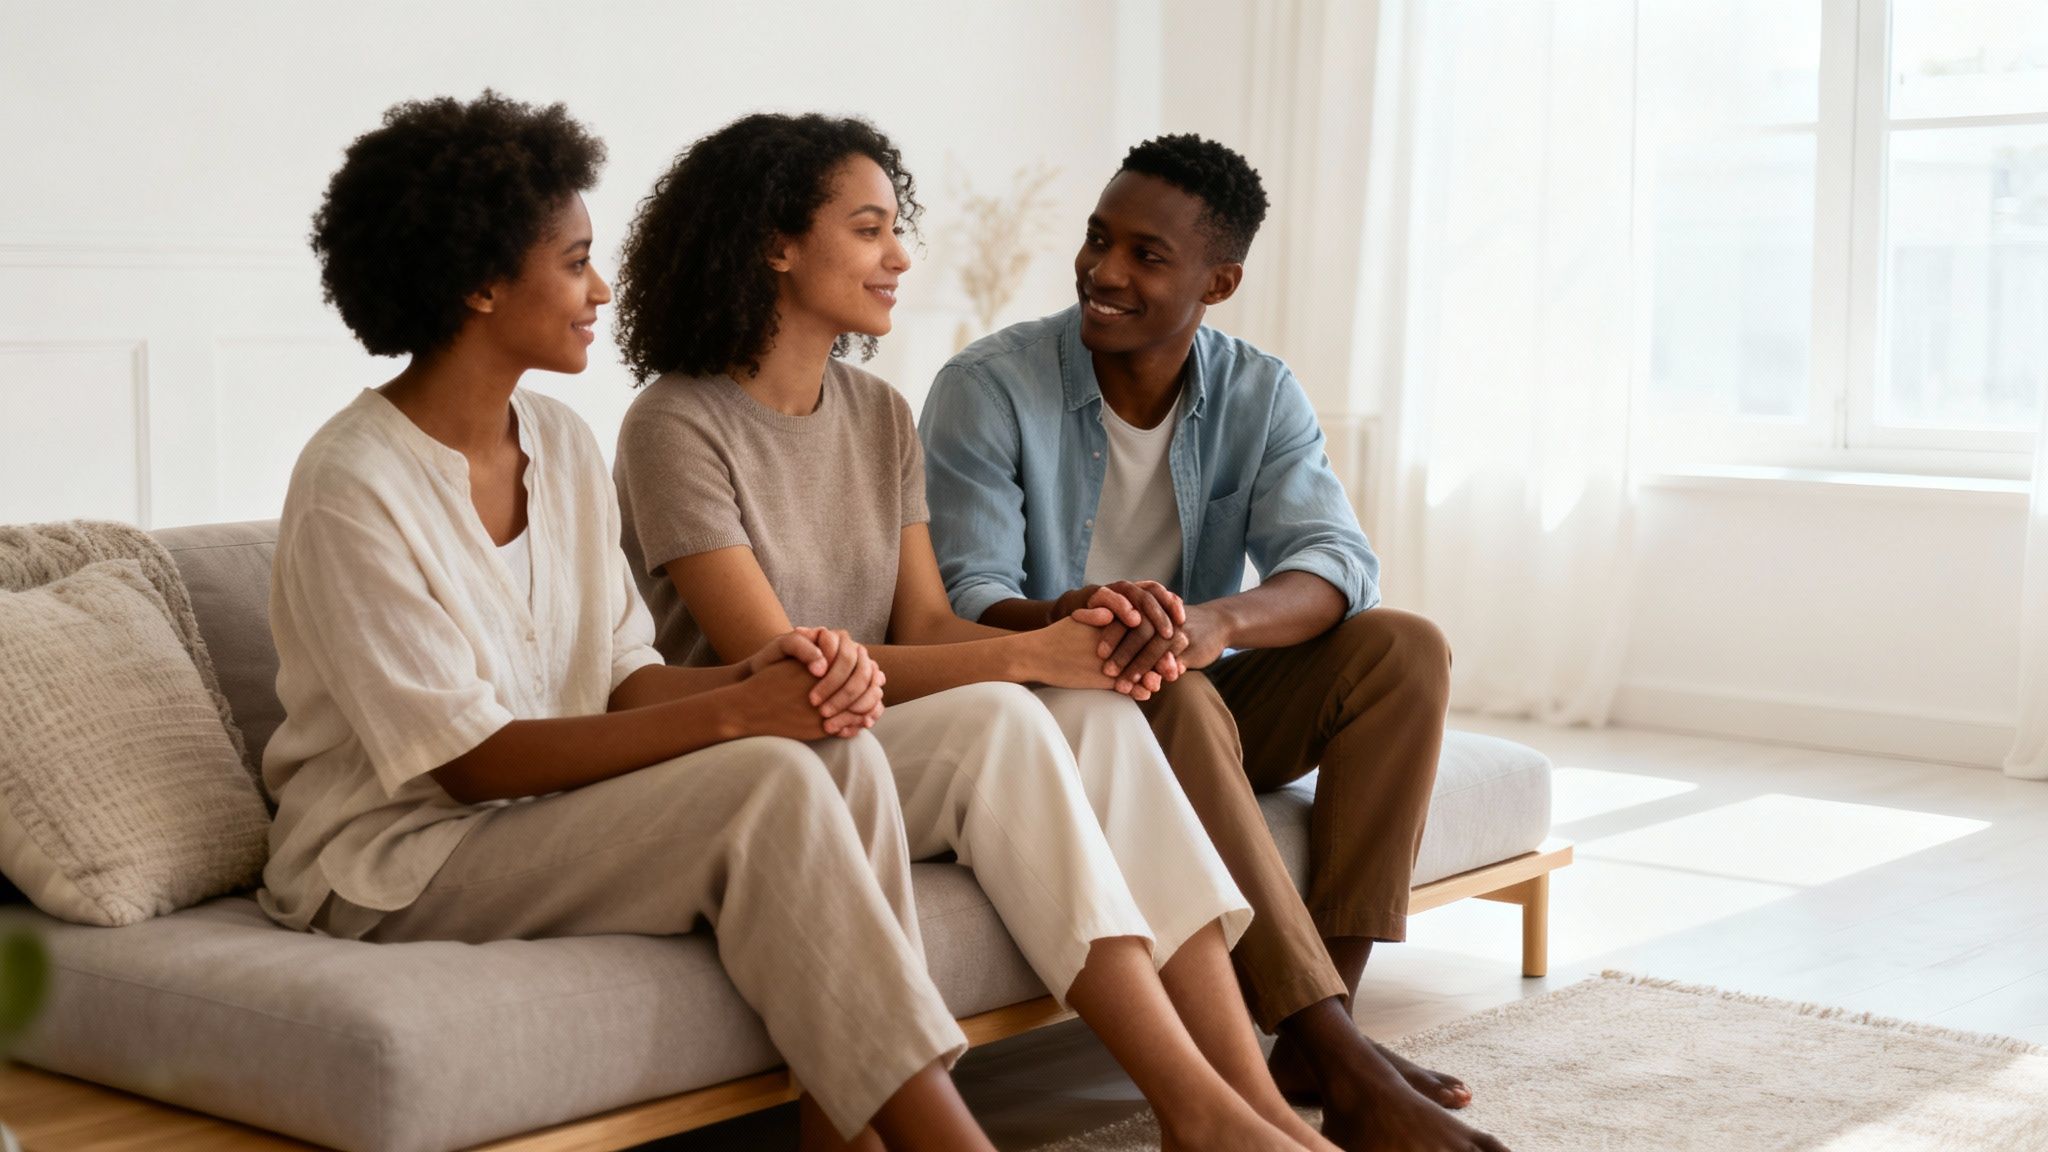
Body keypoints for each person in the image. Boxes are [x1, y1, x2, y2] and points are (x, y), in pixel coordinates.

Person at [259, 91, 993, 1152]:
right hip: (391, 862)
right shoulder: (351, 483)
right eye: (573, 262)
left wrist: (776, 678)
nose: (601, 290)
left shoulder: (557, 442)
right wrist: (739, 720)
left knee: (836, 749)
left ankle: (846, 1139)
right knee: (767, 777)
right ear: (476, 283)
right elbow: (469, 762)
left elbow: (623, 679)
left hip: (538, 814)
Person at [611, 112, 1337, 1152]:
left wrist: (1068, 640)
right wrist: (1027, 653)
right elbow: (776, 668)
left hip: (878, 742)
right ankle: (1202, 1112)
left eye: (893, 230)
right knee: (1007, 711)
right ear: (775, 244)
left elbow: (924, 623)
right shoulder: (675, 424)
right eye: (868, 231)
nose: (899, 256)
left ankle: (1239, 1108)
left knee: (1090, 708)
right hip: (766, 752)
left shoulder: (874, 413)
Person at [920, 133, 1510, 1152]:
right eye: (1099, 239)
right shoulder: (989, 385)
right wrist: (1090, 618)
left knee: (1403, 645)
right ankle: (1335, 1049)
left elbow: (1332, 560)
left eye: (1145, 255)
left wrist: (1212, 623)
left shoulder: (1257, 390)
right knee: (1167, 688)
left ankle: (1319, 1042)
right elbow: (968, 598)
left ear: (1217, 280)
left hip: (1193, 677)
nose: (1103, 271)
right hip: (1058, 706)